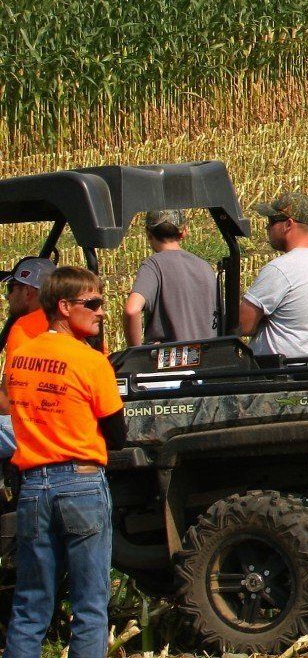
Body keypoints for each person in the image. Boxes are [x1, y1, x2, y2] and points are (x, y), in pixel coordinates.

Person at [3, 265, 123, 658]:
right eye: (93, 303)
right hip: (83, 483)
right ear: (65, 306)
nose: (102, 311)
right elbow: (117, 434)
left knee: (30, 605)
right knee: (90, 606)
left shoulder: (20, 357)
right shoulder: (91, 362)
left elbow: (7, 405)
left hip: (34, 486)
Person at [240, 192, 308, 358]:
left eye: (272, 221)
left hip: (282, 376)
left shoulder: (281, 269)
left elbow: (243, 325)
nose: (268, 227)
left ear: (288, 224)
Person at [122, 209, 217, 347]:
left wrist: (135, 353)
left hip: (170, 362)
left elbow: (132, 310)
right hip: (207, 359)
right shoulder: (205, 267)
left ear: (148, 234)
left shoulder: (153, 265)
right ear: (184, 232)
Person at [0, 257, 55, 459]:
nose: (8, 297)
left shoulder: (24, 327)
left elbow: (6, 404)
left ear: (27, 292)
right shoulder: (71, 320)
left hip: (38, 428)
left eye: (11, 289)